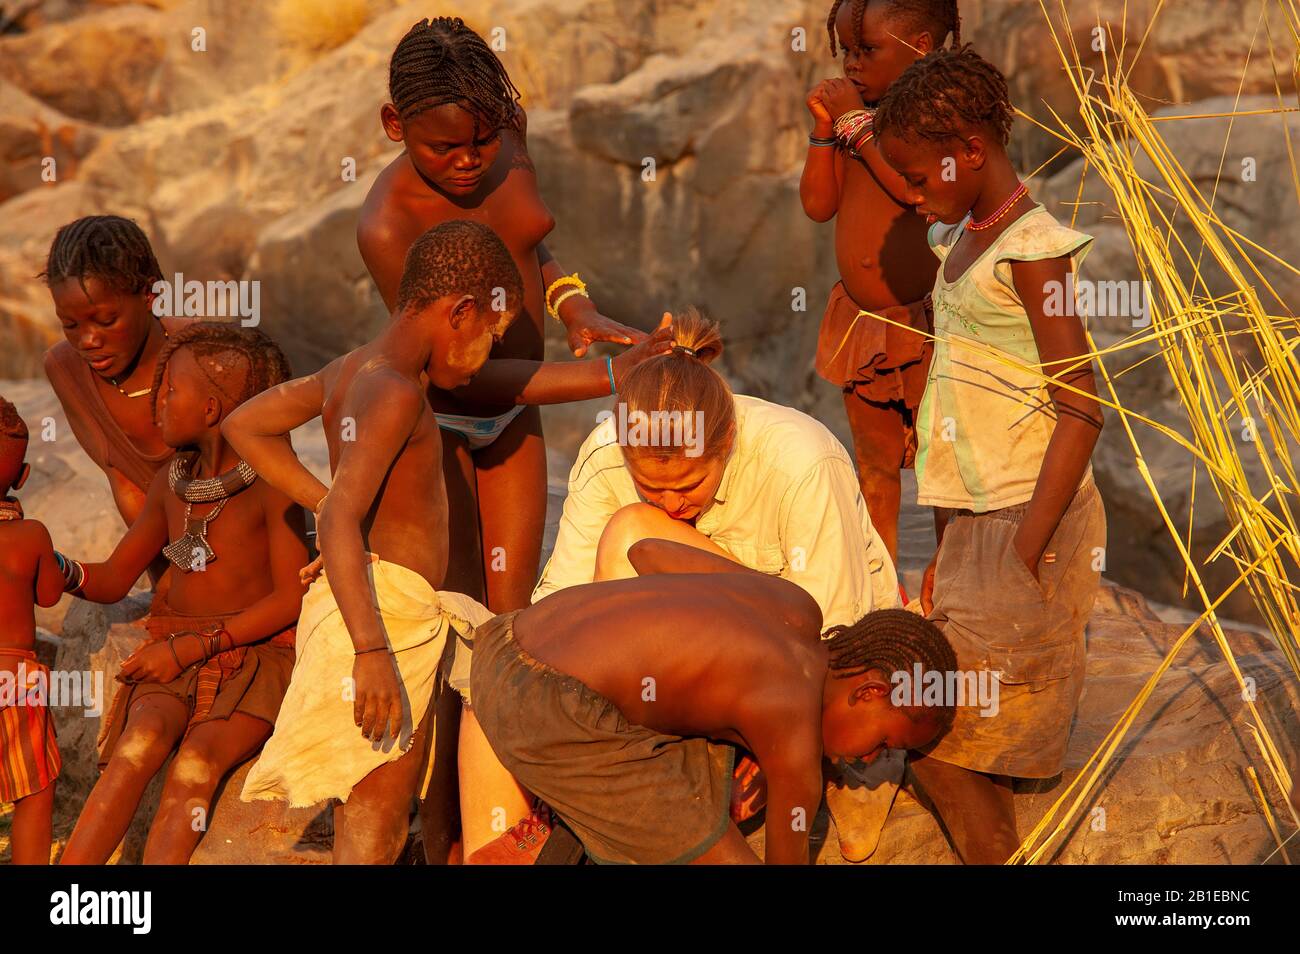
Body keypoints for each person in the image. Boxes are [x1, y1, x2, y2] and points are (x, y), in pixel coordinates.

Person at [225, 220, 669, 864]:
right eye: (490, 335)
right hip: (384, 621)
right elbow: (341, 520)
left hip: (389, 604)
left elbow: (248, 425)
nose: (488, 354)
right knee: (377, 806)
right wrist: (371, 648)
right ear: (460, 312)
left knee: (399, 784)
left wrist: (326, 500)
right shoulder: (396, 393)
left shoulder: (353, 369)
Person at [874, 46, 1107, 863]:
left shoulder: (1034, 249)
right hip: (973, 523)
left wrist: (1024, 551)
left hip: (1024, 514)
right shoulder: (965, 239)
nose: (910, 194)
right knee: (945, 728)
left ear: (971, 150)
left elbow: (1082, 408)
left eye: (918, 177)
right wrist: (947, 549)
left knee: (946, 736)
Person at [474, 538, 956, 864]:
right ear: (869, 691)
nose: (869, 761)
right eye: (886, 742)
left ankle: (561, 828)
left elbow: (647, 551)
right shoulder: (794, 733)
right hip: (544, 710)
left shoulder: (794, 605)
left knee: (711, 742)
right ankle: (564, 832)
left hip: (506, 637)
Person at [57, 324, 307, 865]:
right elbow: (116, 577)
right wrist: (54, 567)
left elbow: (291, 599)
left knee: (195, 763)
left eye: (170, 392)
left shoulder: (274, 483)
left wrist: (195, 648)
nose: (157, 405)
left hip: (256, 656)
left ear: (212, 409)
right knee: (135, 748)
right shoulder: (171, 481)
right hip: (174, 647)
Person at [802, 0, 961, 564]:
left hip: (927, 323)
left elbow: (912, 191)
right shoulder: (856, 118)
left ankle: (948, 579)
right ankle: (881, 586)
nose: (851, 64)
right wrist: (826, 134)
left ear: (919, 44)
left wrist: (856, 127)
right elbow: (819, 206)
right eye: (846, 50)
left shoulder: (931, 114)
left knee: (942, 462)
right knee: (874, 462)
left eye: (867, 50)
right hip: (863, 323)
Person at [41, 216, 192, 528]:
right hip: (171, 552)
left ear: (150, 294)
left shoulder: (203, 351)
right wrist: (164, 577)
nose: (87, 340)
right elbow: (126, 484)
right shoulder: (65, 369)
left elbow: (258, 479)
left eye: (107, 321)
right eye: (69, 324)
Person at [0, 397, 66, 864]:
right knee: (34, 789)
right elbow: (48, 597)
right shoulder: (32, 536)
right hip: (14, 676)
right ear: (22, 478)